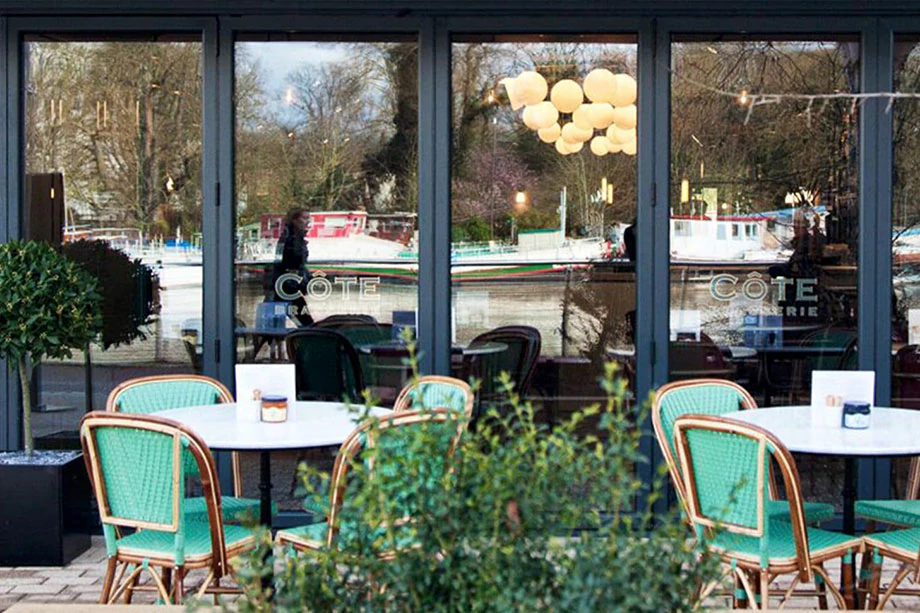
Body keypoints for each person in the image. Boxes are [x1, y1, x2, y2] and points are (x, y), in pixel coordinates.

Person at [269, 208, 313, 326]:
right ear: (294, 220)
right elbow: (294, 259)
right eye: (304, 218)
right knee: (306, 322)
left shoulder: (291, 236)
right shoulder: (292, 238)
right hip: (288, 285)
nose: (307, 221)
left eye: (308, 218)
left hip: (286, 284)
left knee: (282, 320)